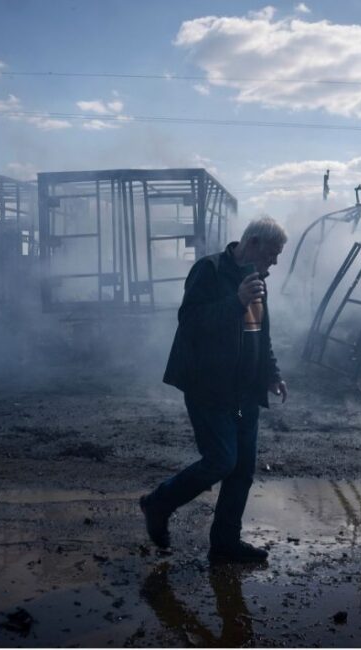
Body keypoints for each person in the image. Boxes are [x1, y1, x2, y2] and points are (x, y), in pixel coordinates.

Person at [140, 217, 289, 563]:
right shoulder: (209, 270)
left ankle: (225, 544)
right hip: (208, 387)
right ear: (251, 243)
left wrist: (271, 373)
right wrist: (235, 301)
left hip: (244, 392)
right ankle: (158, 502)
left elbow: (259, 334)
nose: (275, 262)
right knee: (222, 460)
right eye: (272, 253)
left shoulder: (258, 281)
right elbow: (190, 322)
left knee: (242, 471)